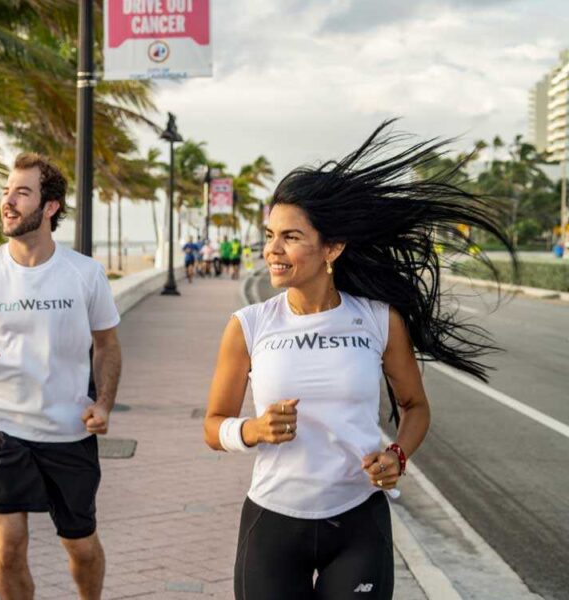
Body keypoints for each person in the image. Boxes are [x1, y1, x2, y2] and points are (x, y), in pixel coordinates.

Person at [202, 121, 515, 600]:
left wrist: (397, 456)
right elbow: (213, 426)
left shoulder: (378, 320)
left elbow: (415, 406)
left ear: (332, 248)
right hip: (272, 520)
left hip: (358, 522)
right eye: (270, 235)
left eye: (290, 237)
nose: (272, 250)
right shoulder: (248, 325)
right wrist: (252, 431)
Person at [0, 153, 123, 600]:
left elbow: (108, 345)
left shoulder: (85, 273)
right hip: (3, 428)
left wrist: (106, 403)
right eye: (6, 191)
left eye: (22, 192)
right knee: (9, 546)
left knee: (80, 546)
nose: (8, 202)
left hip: (68, 430)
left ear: (50, 206)